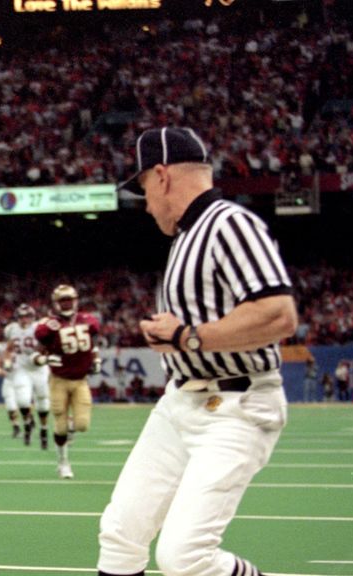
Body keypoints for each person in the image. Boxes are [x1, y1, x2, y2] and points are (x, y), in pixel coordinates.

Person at [98, 127, 297, 576]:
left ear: (162, 175)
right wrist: (173, 338)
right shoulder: (187, 236)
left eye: (145, 188)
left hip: (237, 403)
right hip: (182, 399)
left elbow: (278, 315)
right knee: (121, 532)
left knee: (184, 557)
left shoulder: (229, 224)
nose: (146, 204)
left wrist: (188, 337)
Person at [34, 284, 100, 479]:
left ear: (75, 300)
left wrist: (96, 359)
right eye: (62, 300)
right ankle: (63, 462)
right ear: (56, 303)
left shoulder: (88, 320)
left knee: (82, 425)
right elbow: (35, 355)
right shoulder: (48, 325)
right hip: (59, 381)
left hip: (80, 380)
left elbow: (93, 345)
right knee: (60, 426)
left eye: (69, 300)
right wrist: (45, 359)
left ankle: (71, 425)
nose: (66, 303)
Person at [3, 303, 51, 448]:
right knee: (23, 401)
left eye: (27, 316)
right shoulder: (12, 329)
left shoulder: (39, 328)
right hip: (22, 369)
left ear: (32, 317)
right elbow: (9, 348)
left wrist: (44, 357)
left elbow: (49, 346)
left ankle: (43, 429)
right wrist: (7, 360)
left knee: (42, 400)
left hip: (39, 369)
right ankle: (27, 423)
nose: (24, 319)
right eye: (22, 317)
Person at [0, 340, 22, 438]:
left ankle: (29, 421)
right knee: (10, 405)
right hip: (9, 381)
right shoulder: (3, 355)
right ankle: (16, 426)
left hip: (21, 380)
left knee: (24, 403)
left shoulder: (22, 353)